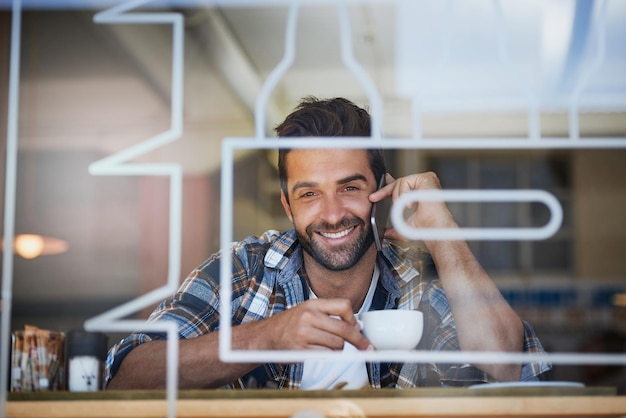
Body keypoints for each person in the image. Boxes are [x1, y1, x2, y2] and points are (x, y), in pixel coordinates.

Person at [105, 97, 551, 390]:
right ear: (287, 204)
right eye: (309, 193)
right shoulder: (242, 272)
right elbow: (127, 377)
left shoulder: (419, 284)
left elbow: (512, 368)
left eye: (350, 188)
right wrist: (267, 338)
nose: (333, 213)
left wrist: (443, 233)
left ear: (381, 188)